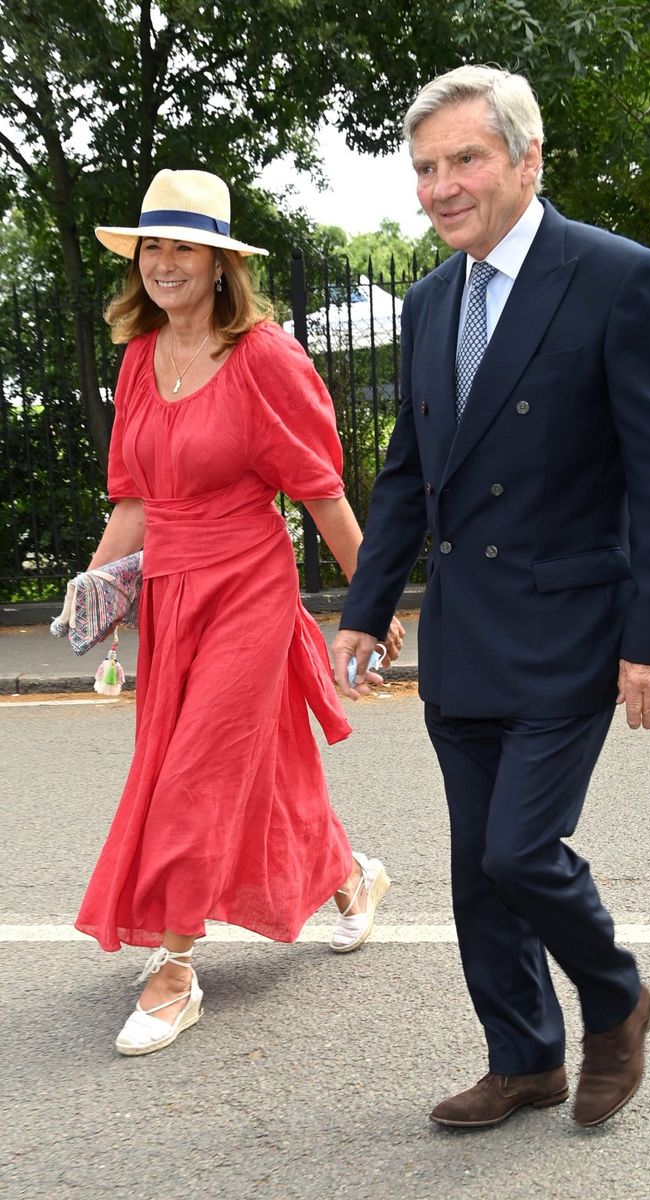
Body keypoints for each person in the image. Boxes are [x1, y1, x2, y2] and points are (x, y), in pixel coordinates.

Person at [333, 65, 650, 1129]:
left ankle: (616, 996)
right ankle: (527, 1054)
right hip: (464, 632)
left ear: (526, 161)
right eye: (426, 168)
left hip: (570, 621)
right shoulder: (428, 300)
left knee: (519, 850)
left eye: (465, 159)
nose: (441, 187)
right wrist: (364, 607)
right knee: (476, 871)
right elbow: (412, 468)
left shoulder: (614, 277)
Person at [76, 168, 402, 1056]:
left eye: (184, 245)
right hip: (172, 595)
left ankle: (175, 972)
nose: (164, 262)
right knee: (254, 772)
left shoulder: (266, 357)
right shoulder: (140, 359)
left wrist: (367, 601)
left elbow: (321, 491)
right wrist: (95, 587)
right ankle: (351, 877)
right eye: (152, 245)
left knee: (192, 777)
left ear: (222, 263)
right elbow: (135, 498)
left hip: (250, 592)